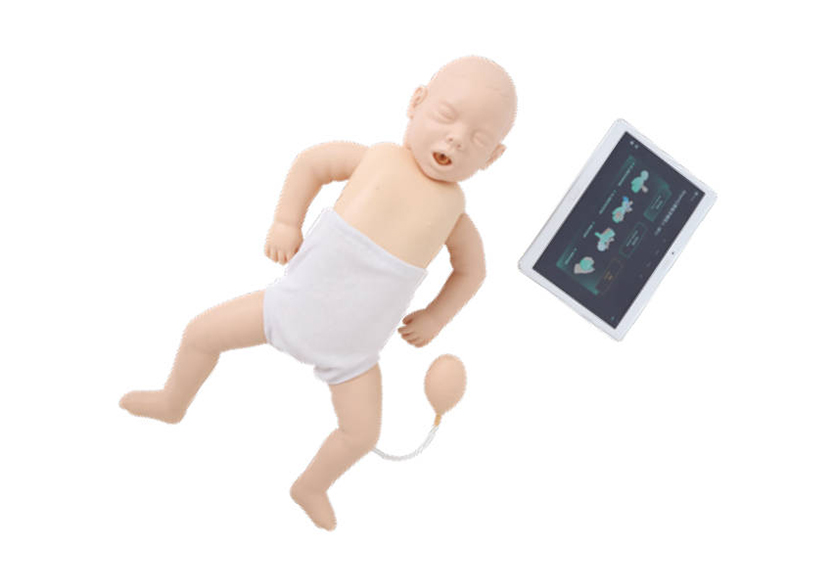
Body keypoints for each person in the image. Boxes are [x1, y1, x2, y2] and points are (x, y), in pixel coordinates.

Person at [120, 56, 517, 530]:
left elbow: (472, 272)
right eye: (446, 116)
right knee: (200, 334)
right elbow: (312, 163)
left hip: (353, 356)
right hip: (284, 307)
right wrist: (286, 222)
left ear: (492, 157)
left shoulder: (455, 215)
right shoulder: (375, 157)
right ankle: (172, 402)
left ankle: (311, 487)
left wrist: (436, 316)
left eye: (478, 140)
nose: (456, 139)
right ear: (416, 102)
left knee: (362, 434)